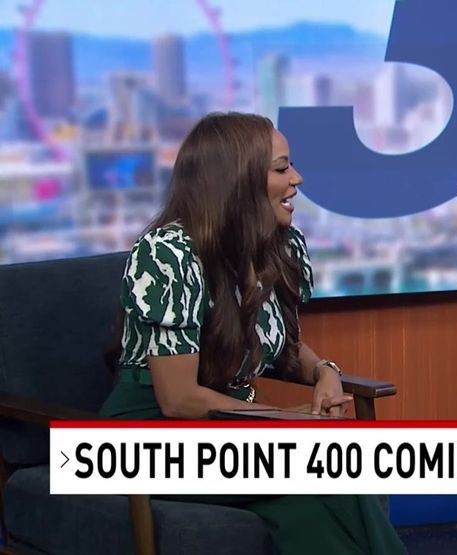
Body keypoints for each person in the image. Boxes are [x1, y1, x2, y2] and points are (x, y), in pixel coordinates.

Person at [100, 112, 406, 554]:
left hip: (230, 427)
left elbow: (279, 345)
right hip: (150, 435)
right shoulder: (168, 254)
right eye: (281, 169)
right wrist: (282, 419)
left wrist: (325, 371)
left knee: (311, 508)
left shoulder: (273, 245)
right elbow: (178, 399)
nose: (297, 178)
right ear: (237, 181)